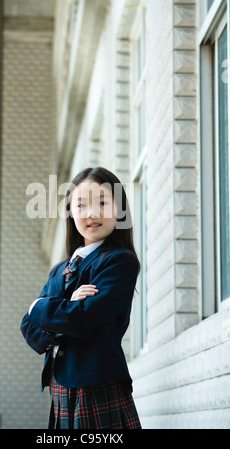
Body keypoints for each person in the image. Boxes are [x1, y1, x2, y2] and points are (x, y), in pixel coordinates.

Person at [21, 167, 142, 429]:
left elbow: (82, 319)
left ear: (119, 209)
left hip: (97, 386)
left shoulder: (119, 262)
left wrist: (41, 308)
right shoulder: (59, 270)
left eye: (102, 202)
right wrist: (63, 308)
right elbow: (28, 327)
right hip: (60, 388)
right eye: (81, 204)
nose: (92, 213)